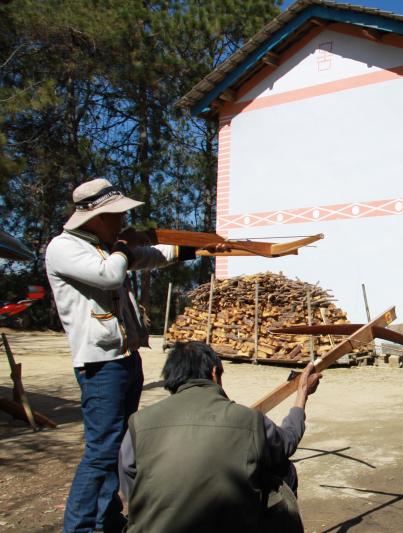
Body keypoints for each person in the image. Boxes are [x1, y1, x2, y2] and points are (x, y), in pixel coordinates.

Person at [45, 178, 215, 532]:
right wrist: (125, 246)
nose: (122, 221)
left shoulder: (106, 246)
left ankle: (106, 519)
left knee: (119, 446)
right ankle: (78, 528)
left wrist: (199, 248)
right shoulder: (65, 247)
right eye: (115, 215)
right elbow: (109, 275)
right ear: (95, 218)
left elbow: (151, 256)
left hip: (124, 358)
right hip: (99, 364)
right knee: (101, 452)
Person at [118, 341, 320, 533]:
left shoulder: (139, 422)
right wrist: (302, 394)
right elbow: (288, 441)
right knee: (283, 470)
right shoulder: (248, 420)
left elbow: (130, 481)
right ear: (214, 373)